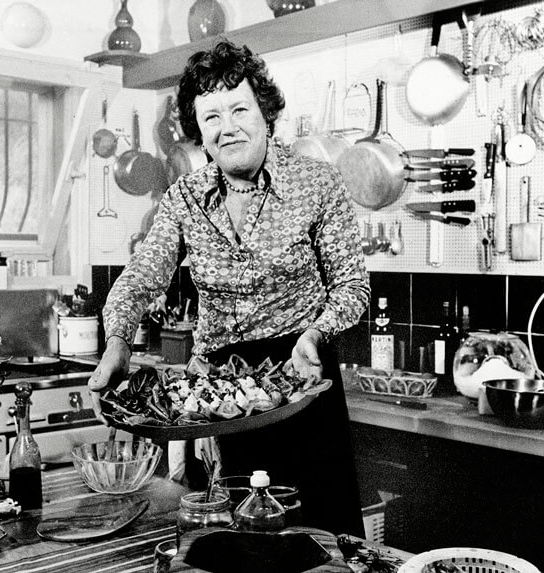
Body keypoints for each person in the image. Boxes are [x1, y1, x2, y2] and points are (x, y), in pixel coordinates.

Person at [88, 39, 369, 536]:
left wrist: (316, 334)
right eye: (211, 116)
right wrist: (117, 343)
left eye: (240, 109)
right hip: (218, 398)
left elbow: (351, 285)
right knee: (231, 542)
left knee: (321, 541)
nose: (228, 126)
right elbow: (140, 278)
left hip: (300, 379)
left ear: (266, 114)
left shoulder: (317, 183)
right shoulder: (185, 197)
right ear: (199, 129)